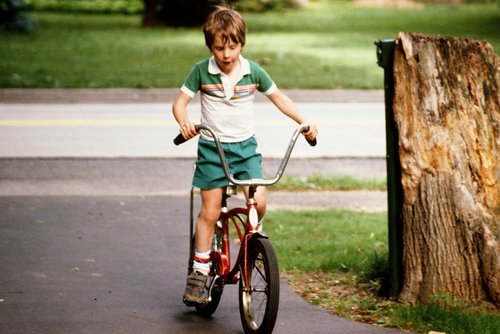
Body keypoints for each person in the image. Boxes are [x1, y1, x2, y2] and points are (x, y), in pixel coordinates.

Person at [172, 5, 318, 306]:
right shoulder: (201, 71)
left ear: (242, 43)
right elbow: (180, 103)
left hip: (245, 150)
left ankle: (254, 243)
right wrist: (184, 122)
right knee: (210, 212)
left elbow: (278, 97)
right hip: (213, 150)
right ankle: (200, 273)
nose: (226, 55)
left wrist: (303, 121)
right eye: (219, 47)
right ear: (210, 46)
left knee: (259, 201)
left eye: (233, 47)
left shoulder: (253, 71)